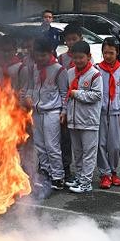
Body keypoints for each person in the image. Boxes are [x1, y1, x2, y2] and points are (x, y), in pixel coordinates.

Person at [26, 38, 69, 190]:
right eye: (37, 55)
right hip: (37, 111)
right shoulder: (33, 68)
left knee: (52, 145)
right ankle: (45, 172)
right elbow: (30, 87)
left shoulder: (59, 70)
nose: (40, 58)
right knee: (39, 144)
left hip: (52, 112)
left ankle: (58, 176)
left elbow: (64, 93)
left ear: (50, 53)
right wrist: (28, 97)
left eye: (43, 55)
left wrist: (63, 112)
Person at [62, 41, 102, 194]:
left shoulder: (95, 74)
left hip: (89, 121)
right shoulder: (70, 72)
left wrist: (77, 93)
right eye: (75, 58)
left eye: (81, 58)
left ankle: (86, 182)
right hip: (74, 120)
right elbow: (66, 95)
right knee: (77, 152)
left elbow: (97, 95)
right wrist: (65, 112)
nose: (78, 61)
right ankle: (79, 177)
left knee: (88, 153)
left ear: (89, 56)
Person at [96, 36, 120, 189]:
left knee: (115, 145)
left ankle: (113, 171)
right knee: (101, 144)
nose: (108, 56)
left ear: (117, 52)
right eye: (105, 52)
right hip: (100, 112)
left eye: (111, 53)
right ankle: (104, 174)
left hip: (117, 112)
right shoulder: (97, 68)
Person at [57, 23, 84, 182]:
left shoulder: (86, 58)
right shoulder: (62, 59)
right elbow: (60, 85)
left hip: (81, 104)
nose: (71, 42)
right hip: (66, 102)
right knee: (65, 139)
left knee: (81, 141)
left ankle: (82, 172)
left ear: (81, 39)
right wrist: (63, 108)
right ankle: (65, 168)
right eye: (68, 40)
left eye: (74, 39)